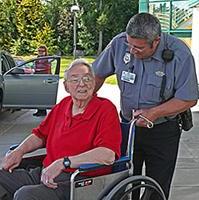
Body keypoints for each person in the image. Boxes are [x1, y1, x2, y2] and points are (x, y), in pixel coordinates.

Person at [92, 12, 199, 200]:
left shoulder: (180, 54)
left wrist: (155, 112)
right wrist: (87, 103)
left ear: (156, 41)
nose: (132, 51)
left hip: (163, 131)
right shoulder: (118, 44)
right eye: (129, 44)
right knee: (121, 182)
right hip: (127, 127)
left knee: (156, 186)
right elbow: (96, 75)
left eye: (139, 48)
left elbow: (189, 98)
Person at [0, 59, 122, 200]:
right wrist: (19, 151)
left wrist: (63, 163)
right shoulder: (63, 105)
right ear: (66, 86)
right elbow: (40, 135)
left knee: (25, 195)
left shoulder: (105, 109)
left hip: (79, 180)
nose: (81, 84)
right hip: (46, 172)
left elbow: (107, 155)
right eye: (75, 80)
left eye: (87, 79)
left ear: (94, 83)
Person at [33, 45, 51, 117]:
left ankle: (43, 111)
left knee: (42, 95)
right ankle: (39, 110)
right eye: (39, 51)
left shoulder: (47, 59)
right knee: (37, 95)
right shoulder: (37, 58)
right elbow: (35, 67)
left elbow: (47, 68)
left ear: (45, 52)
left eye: (42, 51)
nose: (40, 52)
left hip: (44, 78)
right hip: (38, 77)